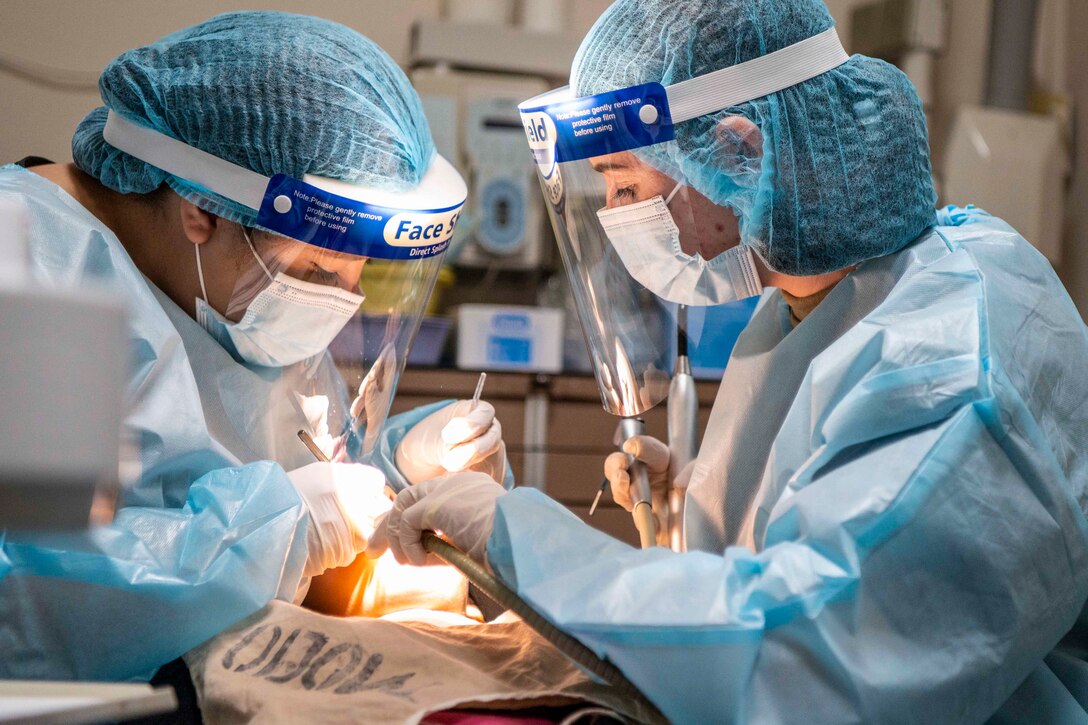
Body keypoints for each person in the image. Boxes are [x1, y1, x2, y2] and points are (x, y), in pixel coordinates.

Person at [380, 0, 1088, 721]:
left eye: (625, 186)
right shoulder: (817, 291)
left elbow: (795, 658)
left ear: (739, 155)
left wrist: (519, 541)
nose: (616, 216)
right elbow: (835, 500)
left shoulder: (949, 365)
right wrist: (703, 495)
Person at [0, 11, 507, 682]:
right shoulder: (30, 262)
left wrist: (403, 472)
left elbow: (265, 464)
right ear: (201, 210)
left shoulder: (241, 288)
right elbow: (35, 601)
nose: (336, 299)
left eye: (358, 276)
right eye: (321, 272)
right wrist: (276, 533)